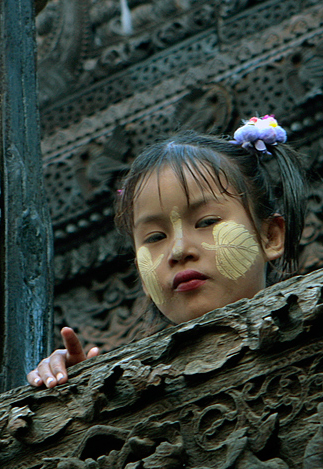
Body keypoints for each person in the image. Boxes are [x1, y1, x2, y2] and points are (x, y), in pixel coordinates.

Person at [27, 115, 308, 388]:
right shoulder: (137, 386)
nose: (179, 250)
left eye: (207, 222)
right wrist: (76, 383)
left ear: (270, 236)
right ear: (140, 269)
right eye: (155, 237)